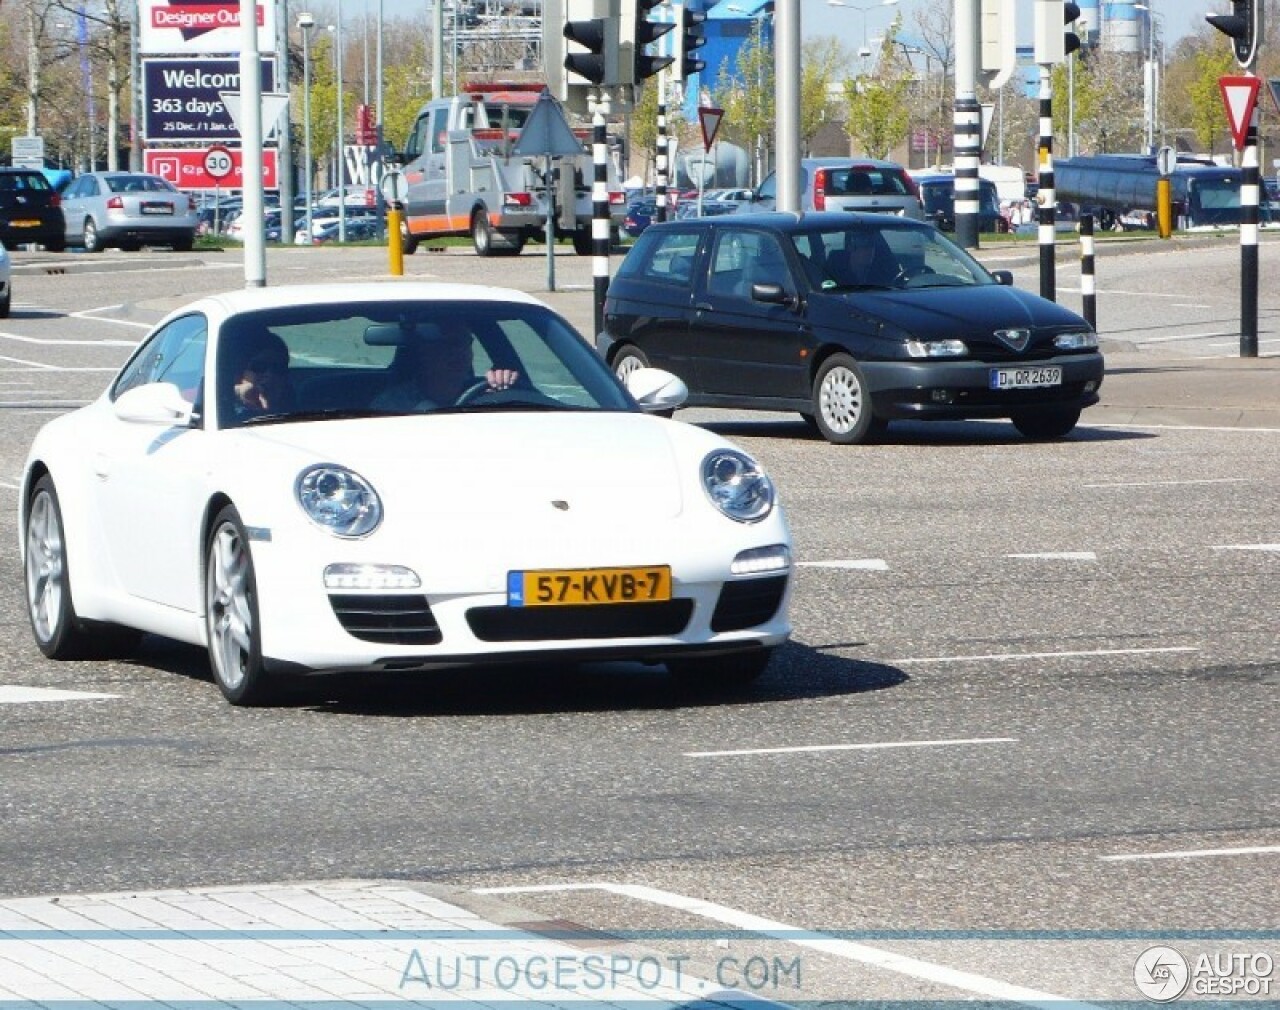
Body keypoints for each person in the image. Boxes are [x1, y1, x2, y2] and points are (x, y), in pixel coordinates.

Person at [373, 325, 519, 411]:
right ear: (425, 353)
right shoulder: (394, 403)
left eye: (465, 343)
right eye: (449, 345)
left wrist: (504, 393)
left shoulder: (487, 393)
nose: (460, 353)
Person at [223, 328, 296, 420]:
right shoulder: (220, 412)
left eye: (278, 368)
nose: (269, 375)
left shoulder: (304, 413)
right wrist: (237, 395)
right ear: (240, 374)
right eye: (260, 367)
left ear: (286, 377)